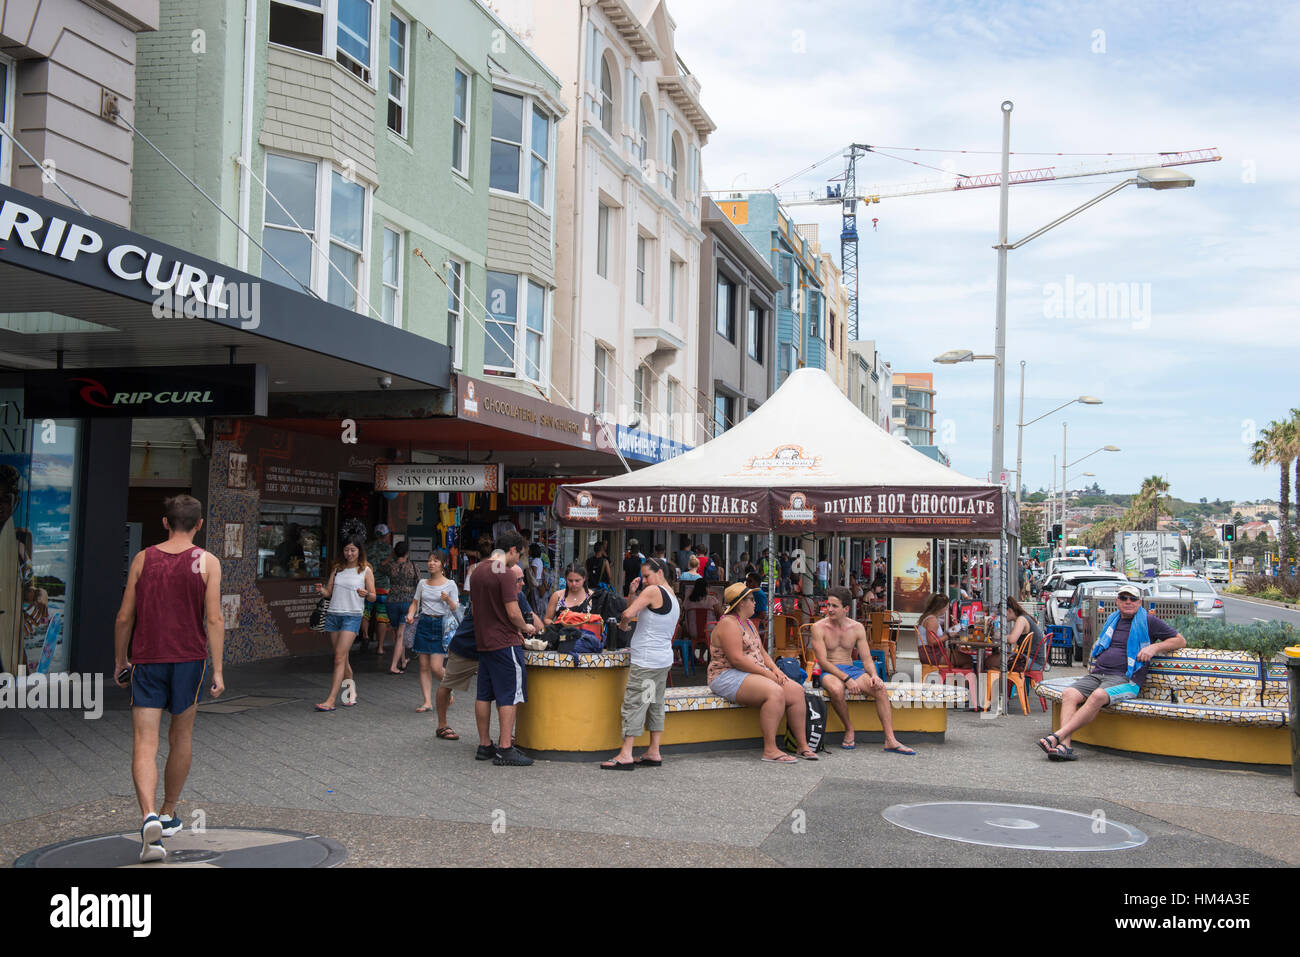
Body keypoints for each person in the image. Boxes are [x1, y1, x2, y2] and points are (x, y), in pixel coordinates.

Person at [113, 495, 225, 862]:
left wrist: (120, 660)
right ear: (199, 524)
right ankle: (168, 812)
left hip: (147, 658)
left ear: (164, 522)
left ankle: (147, 816)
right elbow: (214, 620)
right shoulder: (207, 563)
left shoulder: (143, 558)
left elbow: (124, 616)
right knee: (181, 736)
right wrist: (219, 670)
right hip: (189, 660)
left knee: (145, 741)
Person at [1037, 583, 1185, 761]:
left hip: (1126, 679)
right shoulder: (1113, 619)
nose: (1128, 602)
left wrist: (1154, 647)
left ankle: (1057, 736)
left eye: (1132, 599)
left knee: (1098, 696)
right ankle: (1065, 746)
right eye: (1123, 598)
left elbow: (1180, 640)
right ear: (1117, 601)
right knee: (1069, 694)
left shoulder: (1148, 621)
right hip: (1099, 674)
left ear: (1139, 603)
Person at [707, 582, 817, 763]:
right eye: (751, 599)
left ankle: (802, 745)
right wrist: (768, 675)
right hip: (726, 675)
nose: (755, 603)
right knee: (774, 691)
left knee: (796, 690)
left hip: (753, 673)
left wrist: (775, 670)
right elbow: (737, 660)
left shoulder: (749, 623)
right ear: (741, 603)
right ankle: (770, 749)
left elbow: (762, 652)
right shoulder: (728, 624)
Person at [810, 586, 915, 754]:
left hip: (850, 668)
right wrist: (846, 679)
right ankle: (849, 729)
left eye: (834, 606)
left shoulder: (857, 627)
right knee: (837, 690)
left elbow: (866, 659)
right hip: (828, 669)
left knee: (879, 688)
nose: (829, 609)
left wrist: (874, 675)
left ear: (846, 609)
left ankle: (890, 739)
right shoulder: (819, 627)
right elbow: (822, 661)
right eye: (828, 605)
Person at [601, 557, 681, 769]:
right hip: (661, 660)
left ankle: (626, 753)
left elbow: (629, 614)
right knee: (653, 703)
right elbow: (639, 611)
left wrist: (623, 624)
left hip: (645, 661)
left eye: (647, 575)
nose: (645, 580)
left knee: (635, 704)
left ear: (660, 572)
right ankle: (654, 750)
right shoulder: (672, 596)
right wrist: (631, 594)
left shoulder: (654, 591)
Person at [472, 530, 537, 766]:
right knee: (509, 694)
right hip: (504, 642)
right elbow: (512, 611)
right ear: (512, 550)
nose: (518, 559)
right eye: (518, 554)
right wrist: (526, 627)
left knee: (483, 695)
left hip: (484, 641)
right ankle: (505, 748)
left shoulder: (478, 570)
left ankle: (484, 744)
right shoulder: (506, 574)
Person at [314, 539, 375, 711]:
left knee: (339, 658)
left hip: (352, 616)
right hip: (333, 615)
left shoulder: (365, 570)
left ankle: (331, 699)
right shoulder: (337, 569)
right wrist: (321, 590)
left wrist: (366, 593)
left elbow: (373, 596)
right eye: (347, 550)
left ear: (359, 551)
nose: (349, 553)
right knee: (343, 657)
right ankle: (351, 691)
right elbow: (328, 592)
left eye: (353, 550)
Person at [407, 549, 459, 717]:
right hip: (424, 623)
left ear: (443, 564)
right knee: (423, 666)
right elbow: (415, 603)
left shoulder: (450, 584)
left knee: (436, 667)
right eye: (430, 560)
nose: (431, 563)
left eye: (436, 561)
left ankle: (449, 689)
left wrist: (448, 599)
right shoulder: (422, 583)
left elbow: (456, 608)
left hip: (440, 625)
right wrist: (410, 614)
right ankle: (427, 701)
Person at [385, 540, 419, 674]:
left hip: (391, 601)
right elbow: (418, 583)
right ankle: (394, 666)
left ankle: (403, 660)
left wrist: (390, 556)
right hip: (407, 602)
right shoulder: (413, 566)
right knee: (401, 635)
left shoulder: (390, 566)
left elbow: (380, 566)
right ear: (407, 553)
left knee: (398, 634)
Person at [363, 524, 393, 655]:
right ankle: (380, 647)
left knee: (365, 614)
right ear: (386, 535)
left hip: (367, 587)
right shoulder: (389, 549)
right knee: (382, 618)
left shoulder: (366, 547)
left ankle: (365, 636)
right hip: (383, 588)